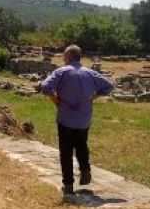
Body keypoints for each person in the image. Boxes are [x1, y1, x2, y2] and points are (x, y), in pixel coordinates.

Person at [36, 44, 113, 200]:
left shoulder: (61, 72)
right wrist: (94, 96)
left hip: (66, 116)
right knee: (82, 145)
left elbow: (45, 87)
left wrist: (55, 100)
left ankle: (69, 185)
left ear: (69, 57)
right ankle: (85, 170)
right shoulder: (90, 73)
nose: (63, 59)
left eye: (64, 56)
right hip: (84, 117)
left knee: (66, 151)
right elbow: (109, 86)